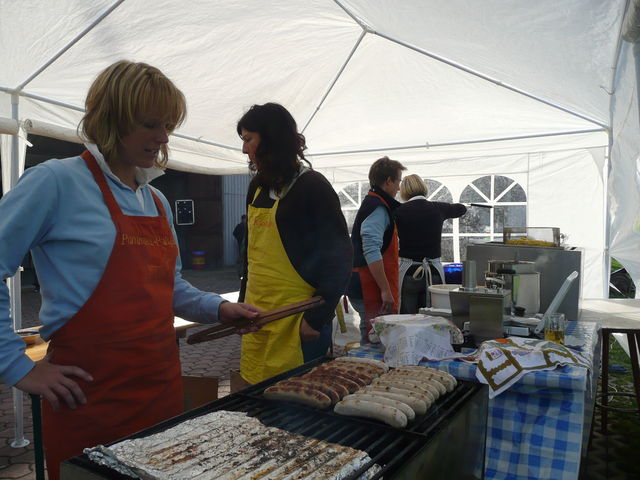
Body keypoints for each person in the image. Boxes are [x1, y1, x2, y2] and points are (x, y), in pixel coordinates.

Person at [0, 60, 260, 480]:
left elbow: (170, 288)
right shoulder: (55, 182)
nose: (163, 137)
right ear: (111, 119)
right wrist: (16, 367)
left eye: (168, 125)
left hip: (160, 388)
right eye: (150, 124)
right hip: (88, 397)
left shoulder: (155, 200)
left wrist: (218, 308)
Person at [236, 102, 352, 385]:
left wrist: (316, 319)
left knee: (300, 400)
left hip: (299, 321)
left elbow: (340, 259)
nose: (244, 149)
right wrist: (241, 305)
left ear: (271, 139)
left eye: (248, 139)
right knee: (257, 397)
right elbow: (250, 255)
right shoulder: (257, 186)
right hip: (258, 317)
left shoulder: (312, 186)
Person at [351, 156, 406, 342]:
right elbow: (371, 249)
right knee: (374, 336)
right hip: (368, 284)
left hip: (366, 280)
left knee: (375, 333)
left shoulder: (375, 203)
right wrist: (385, 290)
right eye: (398, 181)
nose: (399, 187)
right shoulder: (378, 207)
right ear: (389, 181)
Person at [394, 174, 467, 313]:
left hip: (408, 271)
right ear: (423, 187)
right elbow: (461, 209)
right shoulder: (439, 208)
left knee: (407, 317)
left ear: (404, 191)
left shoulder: (399, 211)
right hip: (434, 271)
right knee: (435, 315)